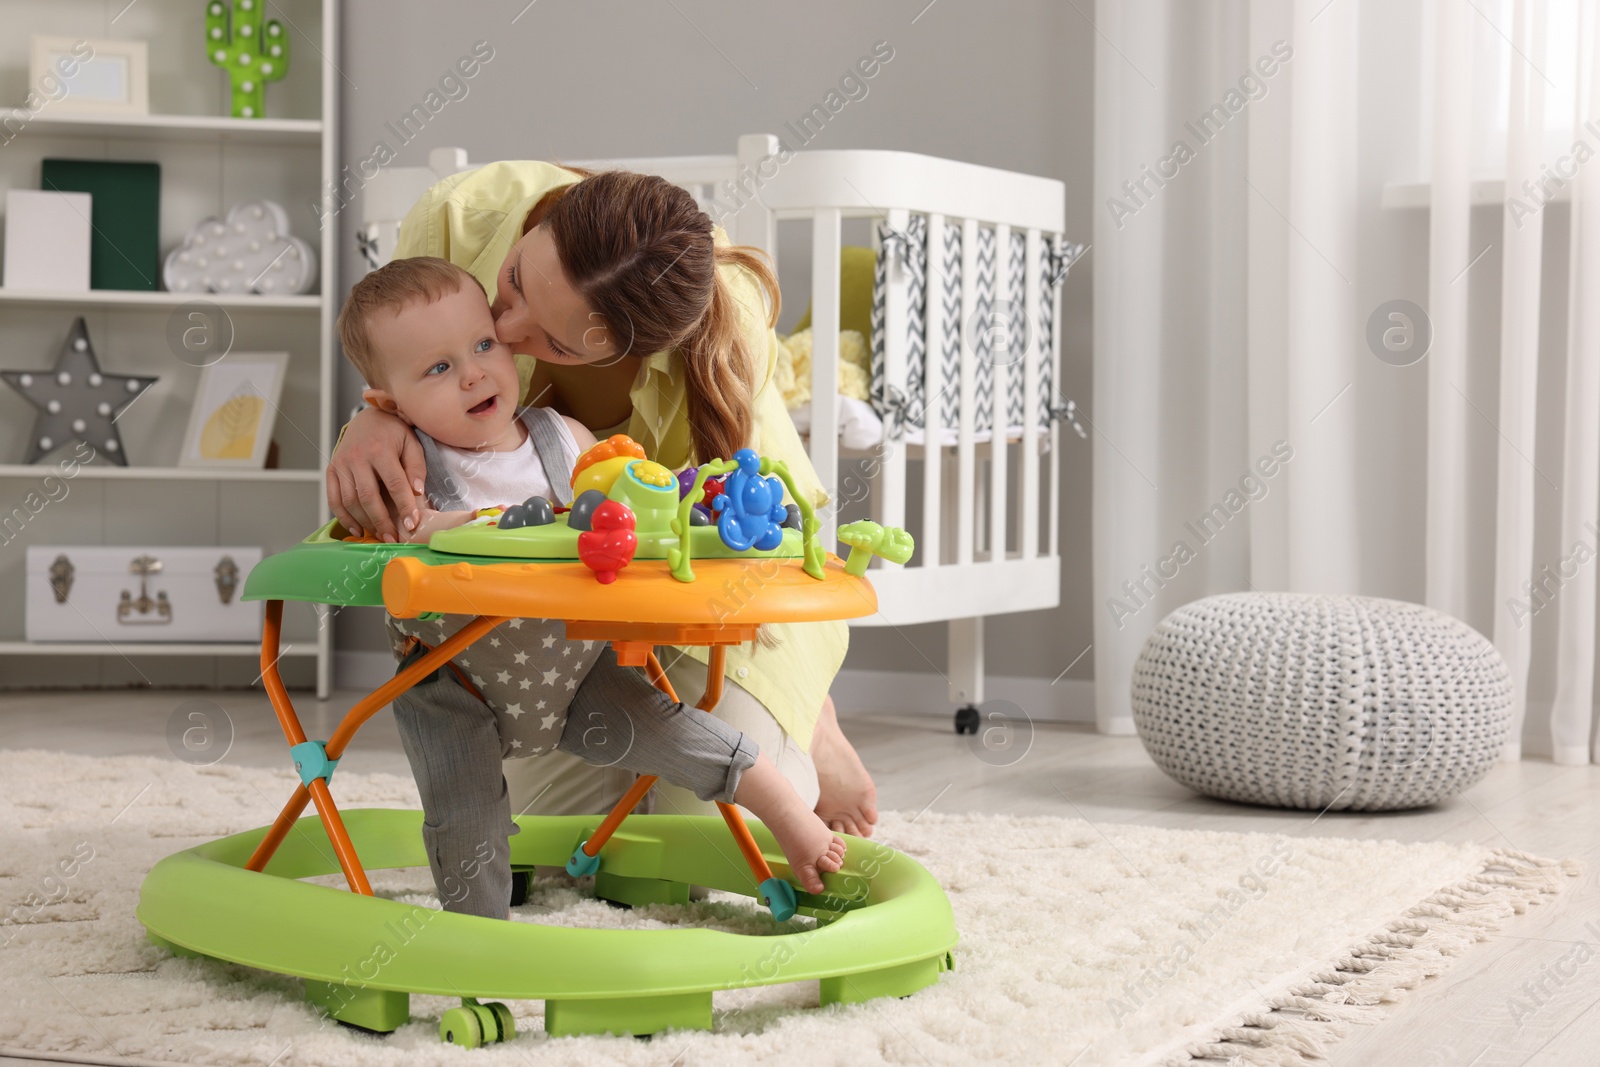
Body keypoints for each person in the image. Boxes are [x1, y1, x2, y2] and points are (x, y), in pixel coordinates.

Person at [326, 161, 880, 838]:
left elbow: (722, 542)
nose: (505, 328)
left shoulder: (721, 333)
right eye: (515, 282)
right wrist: (375, 414)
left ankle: (813, 720)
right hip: (559, 610)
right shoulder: (457, 219)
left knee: (713, 836)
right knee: (553, 845)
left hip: (716, 576)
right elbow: (398, 351)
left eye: (555, 341)